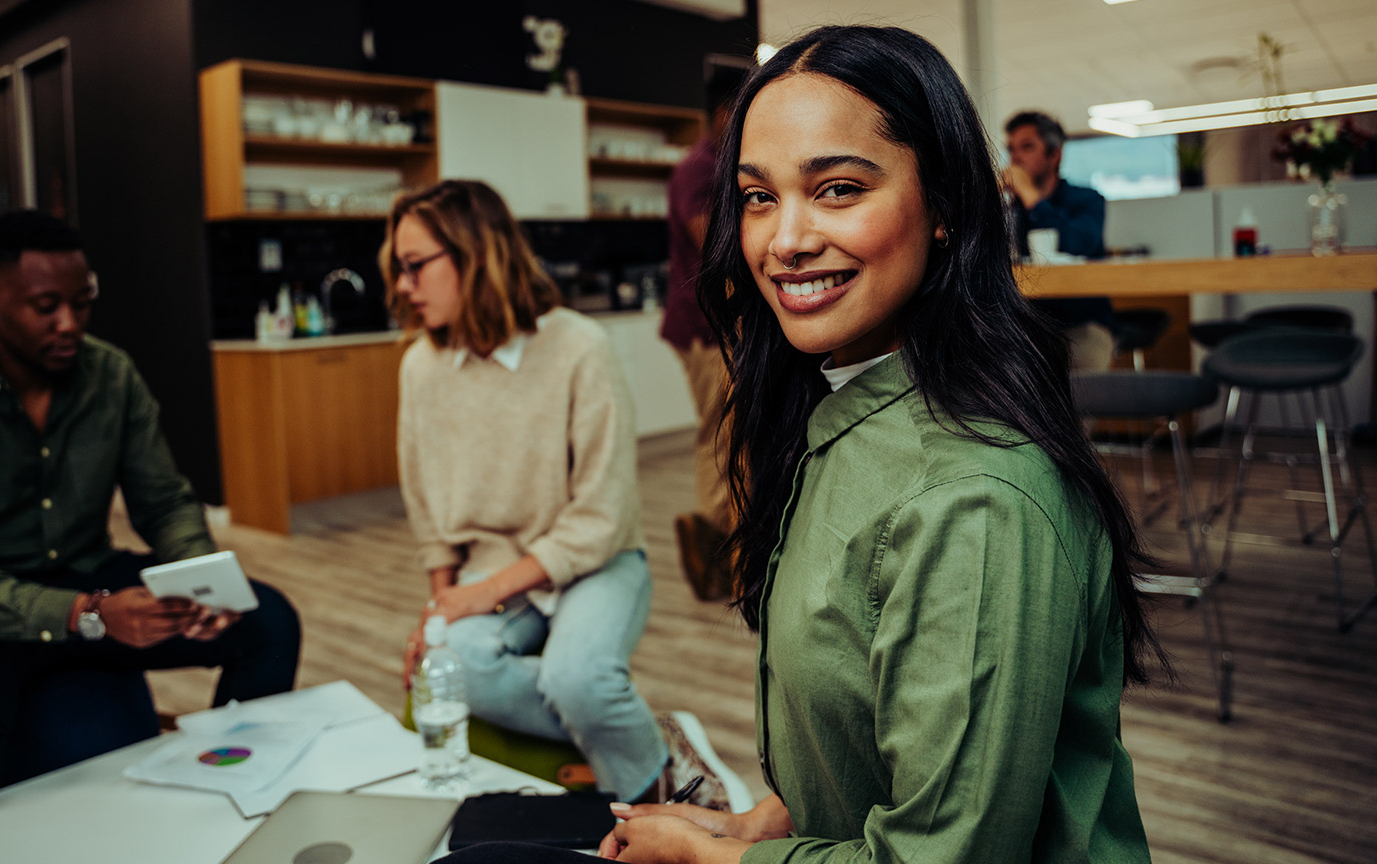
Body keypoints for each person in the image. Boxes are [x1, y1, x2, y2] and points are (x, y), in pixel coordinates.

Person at [440, 25, 1164, 864]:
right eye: (756, 196)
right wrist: (765, 821)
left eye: (839, 189)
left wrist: (712, 858)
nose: (783, 241)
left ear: (947, 209)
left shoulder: (975, 502)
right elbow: (879, 738)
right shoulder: (842, 408)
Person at [0, 210, 302, 819]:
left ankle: (233, 797)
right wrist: (86, 614)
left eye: (82, 301)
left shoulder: (111, 374)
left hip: (85, 584)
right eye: (45, 306)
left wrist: (201, 578)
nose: (68, 323)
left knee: (269, 622)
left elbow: (165, 501)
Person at [386, 180, 742, 809]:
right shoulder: (420, 366)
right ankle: (649, 737)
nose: (403, 286)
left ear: (476, 255)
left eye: (414, 266)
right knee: (444, 675)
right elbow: (429, 517)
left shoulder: (579, 347)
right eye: (398, 269)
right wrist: (441, 612)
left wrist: (480, 595)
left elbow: (602, 518)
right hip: (492, 572)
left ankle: (663, 809)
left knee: (578, 679)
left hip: (597, 564)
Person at [663, 62, 748, 602]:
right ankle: (716, 549)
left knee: (734, 432)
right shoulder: (699, 169)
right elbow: (713, 246)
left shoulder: (728, 162)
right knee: (722, 434)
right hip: (703, 327)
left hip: (721, 322)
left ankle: (724, 549)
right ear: (724, 114)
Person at [1004, 109, 1115, 371]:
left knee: (1081, 393)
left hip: (1082, 323)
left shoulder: (1087, 199)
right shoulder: (1010, 209)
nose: (1016, 158)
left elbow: (1078, 244)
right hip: (1027, 326)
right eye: (1011, 149)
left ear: (1055, 154)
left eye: (1027, 147)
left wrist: (1031, 197)